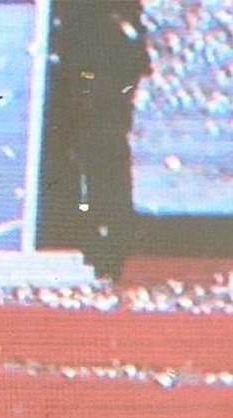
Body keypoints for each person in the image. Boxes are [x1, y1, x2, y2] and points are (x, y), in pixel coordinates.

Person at [37, 1, 149, 279]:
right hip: (61, 56)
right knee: (63, 154)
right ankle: (71, 235)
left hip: (102, 57)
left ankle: (110, 239)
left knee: (102, 151)